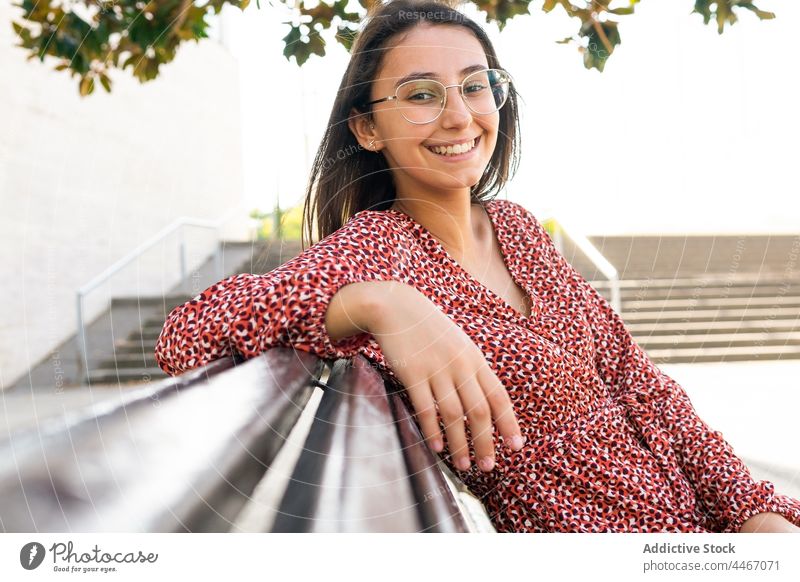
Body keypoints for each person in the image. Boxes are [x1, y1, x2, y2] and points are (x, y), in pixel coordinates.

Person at [154, 0, 800, 533]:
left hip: (706, 530)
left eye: (474, 85)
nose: (459, 115)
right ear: (367, 128)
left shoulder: (515, 226)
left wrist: (750, 509)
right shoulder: (376, 252)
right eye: (421, 94)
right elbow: (184, 336)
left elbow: (636, 381)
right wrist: (379, 303)